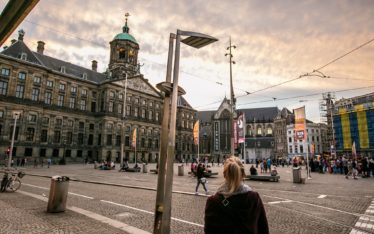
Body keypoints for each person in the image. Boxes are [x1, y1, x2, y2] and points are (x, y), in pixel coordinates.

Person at [204, 156, 269, 234]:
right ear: (243, 174)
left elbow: (209, 231)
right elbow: (263, 229)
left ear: (224, 175)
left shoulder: (213, 202)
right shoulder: (254, 198)